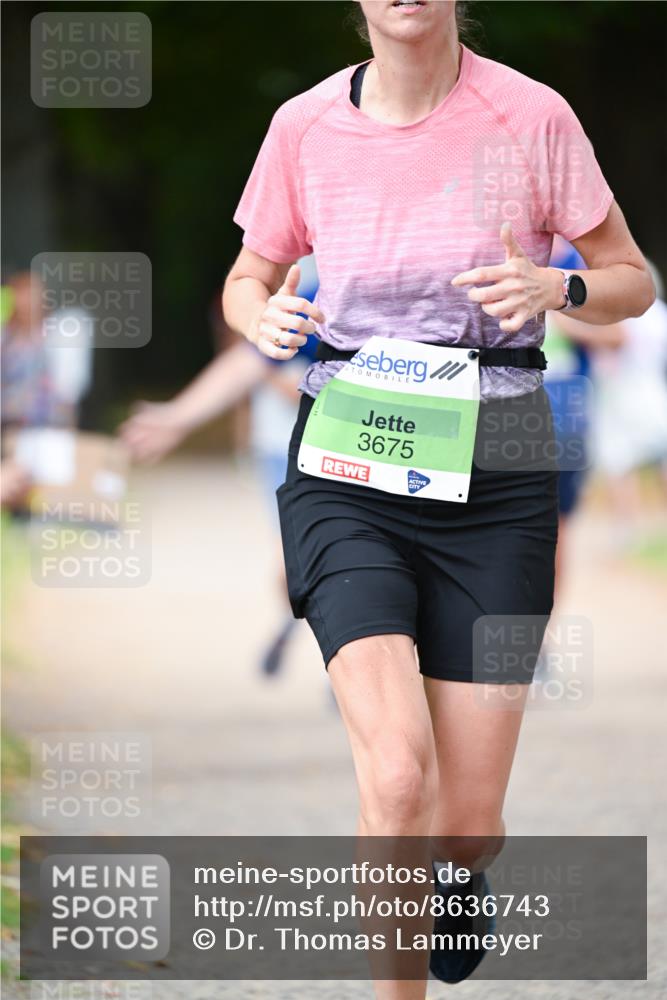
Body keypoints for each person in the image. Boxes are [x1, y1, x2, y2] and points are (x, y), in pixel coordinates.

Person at [222, 3, 654, 995]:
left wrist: (560, 289)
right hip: (348, 460)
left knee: (464, 819)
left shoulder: (533, 116)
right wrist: (265, 315)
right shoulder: (303, 126)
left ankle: (460, 872)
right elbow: (246, 279)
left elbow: (631, 278)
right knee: (397, 777)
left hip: (498, 463)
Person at [120, 261, 321, 676]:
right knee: (291, 563)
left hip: (341, 451)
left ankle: (336, 662)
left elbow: (276, 379)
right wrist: (179, 416)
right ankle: (303, 628)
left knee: (328, 560)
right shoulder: (301, 281)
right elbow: (252, 364)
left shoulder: (336, 272)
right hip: (279, 450)